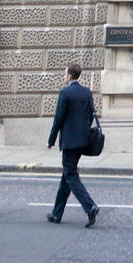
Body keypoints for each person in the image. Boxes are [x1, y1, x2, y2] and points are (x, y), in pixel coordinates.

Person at [46, 61, 100, 226]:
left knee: (70, 175)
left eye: (64, 73)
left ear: (69, 76)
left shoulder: (65, 93)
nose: (64, 76)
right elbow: (91, 116)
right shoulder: (86, 93)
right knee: (67, 175)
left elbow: (59, 119)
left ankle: (90, 206)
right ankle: (57, 214)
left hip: (69, 141)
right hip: (82, 141)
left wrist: (51, 140)